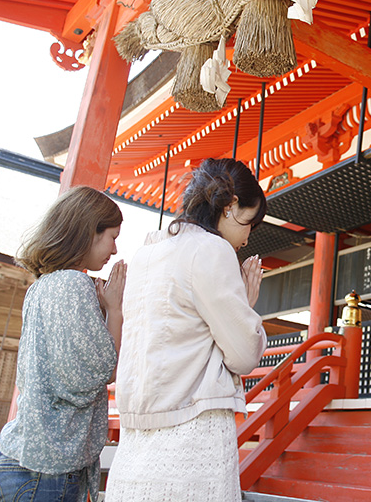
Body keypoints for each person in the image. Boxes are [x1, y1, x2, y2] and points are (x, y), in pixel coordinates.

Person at [105, 158, 267, 502]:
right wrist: (246, 304)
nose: (248, 236)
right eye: (249, 223)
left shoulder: (148, 252)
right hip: (190, 443)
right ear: (230, 206)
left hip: (136, 446)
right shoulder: (212, 249)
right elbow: (242, 355)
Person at [0, 186, 127, 502]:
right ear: (89, 232)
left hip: (15, 460)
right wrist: (115, 310)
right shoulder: (74, 284)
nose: (115, 249)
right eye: (112, 237)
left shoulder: (41, 287)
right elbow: (103, 370)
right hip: (45, 475)